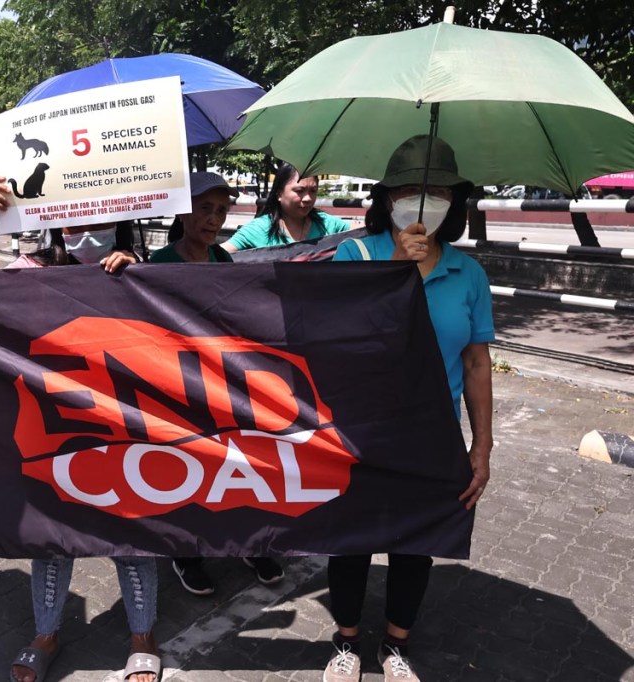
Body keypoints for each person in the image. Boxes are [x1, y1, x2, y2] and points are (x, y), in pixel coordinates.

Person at [0, 177, 160, 682]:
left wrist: (140, 282)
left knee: (134, 536)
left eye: (101, 217)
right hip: (53, 434)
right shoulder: (31, 271)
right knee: (51, 538)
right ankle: (46, 634)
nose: (88, 229)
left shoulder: (141, 272)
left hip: (126, 433)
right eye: (76, 218)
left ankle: (142, 636)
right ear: (55, 219)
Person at [323, 135, 494, 682]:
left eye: (438, 191)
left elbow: (477, 363)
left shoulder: (468, 274)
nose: (423, 201)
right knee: (351, 541)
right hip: (361, 431)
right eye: (407, 190)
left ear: (455, 201)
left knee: (417, 544)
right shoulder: (355, 256)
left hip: (432, 434)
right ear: (387, 197)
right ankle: (346, 641)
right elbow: (341, 340)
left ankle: (396, 644)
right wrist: (396, 269)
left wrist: (482, 445)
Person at [148, 172, 286, 594]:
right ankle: (186, 554)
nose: (214, 218)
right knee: (185, 469)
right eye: (205, 208)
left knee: (236, 466)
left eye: (222, 211)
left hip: (222, 386)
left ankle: (248, 544)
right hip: (175, 389)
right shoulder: (155, 264)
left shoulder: (224, 261)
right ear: (182, 212)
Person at [222, 164, 350, 253]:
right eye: (299, 190)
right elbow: (218, 256)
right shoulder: (259, 229)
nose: (308, 198)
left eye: (313, 191)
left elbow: (359, 234)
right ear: (279, 194)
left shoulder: (328, 224)